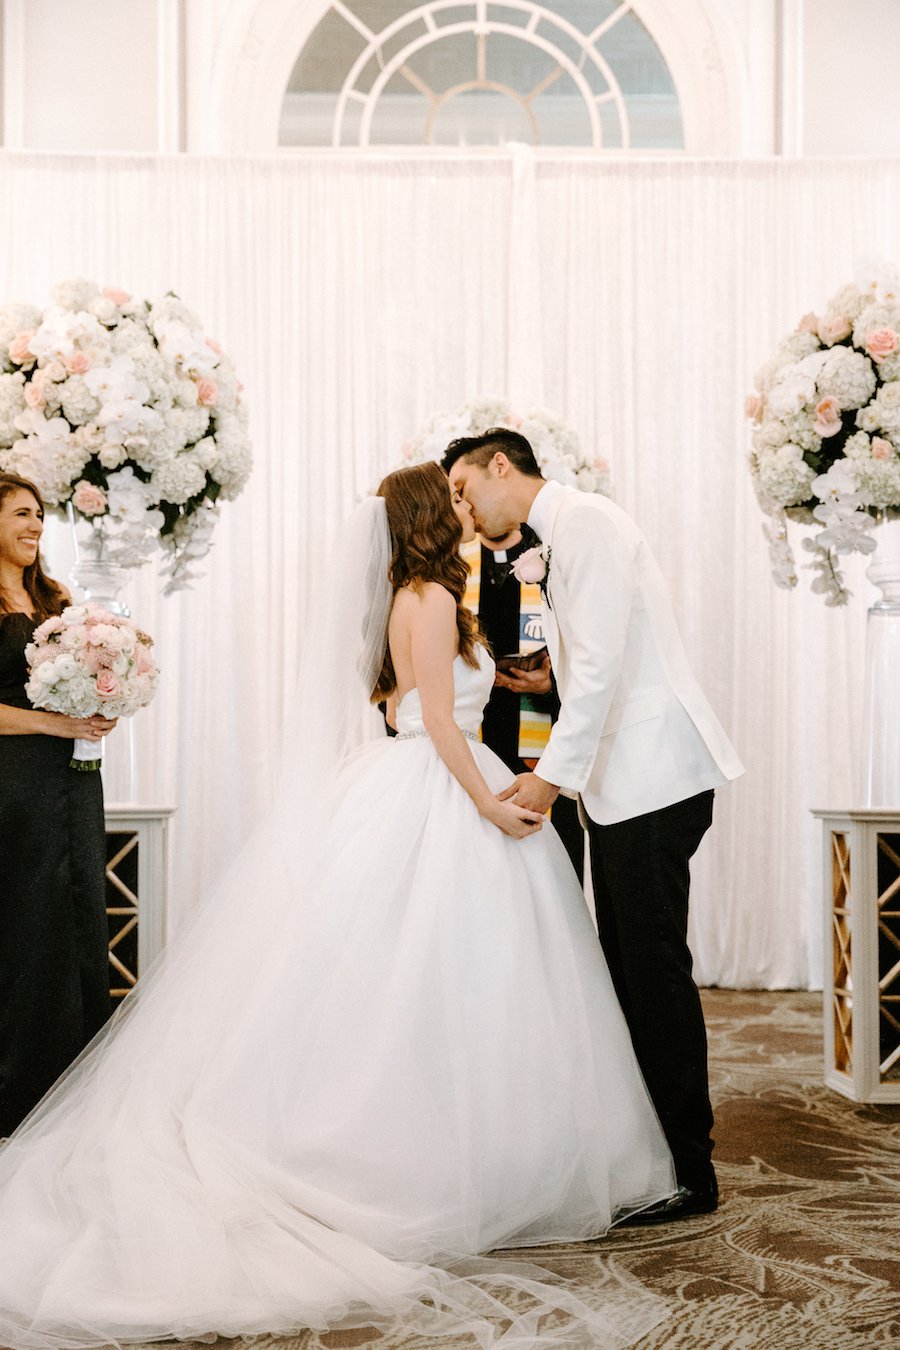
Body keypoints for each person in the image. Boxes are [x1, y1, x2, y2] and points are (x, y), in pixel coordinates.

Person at [0, 462, 674, 1350]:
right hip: (441, 789)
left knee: (433, 985)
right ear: (437, 514)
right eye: (459, 499)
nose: (470, 509)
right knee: (441, 987)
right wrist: (490, 804)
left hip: (422, 778)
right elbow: (435, 723)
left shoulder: (423, 593)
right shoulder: (429, 595)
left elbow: (411, 699)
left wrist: (494, 686)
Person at [444, 430, 745, 1224]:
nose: (463, 509)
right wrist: (553, 673)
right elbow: (601, 654)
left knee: (650, 971)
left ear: (499, 465)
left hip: (652, 778)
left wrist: (548, 780)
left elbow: (610, 669)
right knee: (630, 967)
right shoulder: (567, 531)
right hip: (626, 783)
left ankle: (690, 1169)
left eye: (464, 489)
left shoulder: (590, 525)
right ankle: (660, 1153)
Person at [0, 472, 116, 1139]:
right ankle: (17, 1093)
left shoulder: (57, 596)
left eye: (40, 515)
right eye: (20, 513)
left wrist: (109, 698)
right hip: (12, 786)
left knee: (78, 919)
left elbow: (78, 686)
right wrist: (53, 726)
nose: (35, 525)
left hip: (72, 781)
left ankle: (76, 1091)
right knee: (25, 925)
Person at [463, 521, 585, 881]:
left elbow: (593, 671)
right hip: (476, 750)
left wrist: (551, 686)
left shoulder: (551, 558)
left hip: (546, 756)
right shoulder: (453, 566)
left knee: (552, 883)